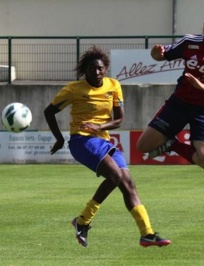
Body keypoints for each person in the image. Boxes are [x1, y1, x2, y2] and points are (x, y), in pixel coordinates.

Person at [44, 46, 170, 248]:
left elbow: (119, 120)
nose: (96, 72)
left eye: (100, 69)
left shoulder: (113, 85)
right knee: (115, 176)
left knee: (128, 183)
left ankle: (146, 233)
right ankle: (83, 220)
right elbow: (49, 112)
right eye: (92, 69)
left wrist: (99, 126)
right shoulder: (73, 89)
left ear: (105, 69)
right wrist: (59, 138)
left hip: (104, 140)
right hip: (82, 141)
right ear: (85, 70)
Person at [136, 13, 204, 169]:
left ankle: (172, 144)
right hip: (179, 103)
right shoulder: (189, 42)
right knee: (143, 146)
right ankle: (170, 142)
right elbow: (161, 56)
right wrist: (155, 54)